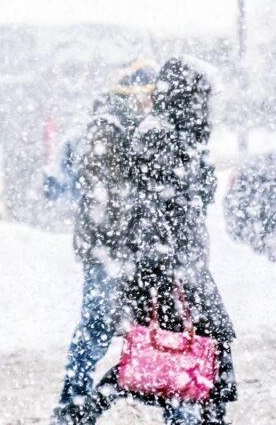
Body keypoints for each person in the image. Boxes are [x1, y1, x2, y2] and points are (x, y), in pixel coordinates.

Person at [88, 57, 237, 424]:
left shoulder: (179, 134)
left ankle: (88, 409)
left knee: (191, 358)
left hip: (183, 265)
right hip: (168, 269)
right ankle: (85, 409)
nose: (207, 108)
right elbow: (153, 207)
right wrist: (164, 267)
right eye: (202, 98)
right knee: (181, 358)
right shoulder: (158, 134)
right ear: (186, 97)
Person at [52, 59, 161, 424]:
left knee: (107, 328)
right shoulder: (108, 130)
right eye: (148, 96)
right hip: (108, 252)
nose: (152, 104)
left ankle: (80, 403)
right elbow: (106, 200)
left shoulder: (123, 128)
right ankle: (74, 404)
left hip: (117, 251)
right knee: (95, 328)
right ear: (133, 96)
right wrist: (127, 235)